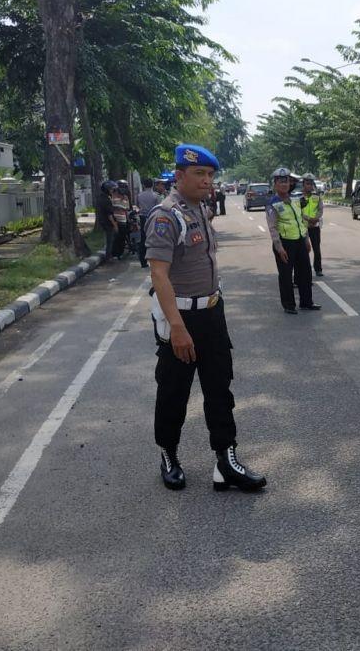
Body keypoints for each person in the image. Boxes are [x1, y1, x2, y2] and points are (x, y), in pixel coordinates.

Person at [145, 143, 267, 493]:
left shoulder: (200, 210)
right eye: (200, 174)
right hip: (180, 319)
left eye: (211, 175)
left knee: (219, 387)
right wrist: (179, 330)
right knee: (173, 391)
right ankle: (169, 454)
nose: (207, 181)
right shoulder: (166, 216)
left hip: (212, 312)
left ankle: (225, 460)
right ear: (179, 175)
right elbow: (158, 275)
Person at [266, 167, 321, 315]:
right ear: (275, 184)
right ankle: (289, 305)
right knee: (285, 276)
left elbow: (301, 220)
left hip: (299, 241)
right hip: (284, 244)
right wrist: (279, 247)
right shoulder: (273, 203)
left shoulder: (295, 199)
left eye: (286, 182)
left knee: (305, 273)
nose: (284, 185)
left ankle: (306, 302)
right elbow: (272, 227)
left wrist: (306, 239)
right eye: (281, 182)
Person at [300, 173, 324, 277]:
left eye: (311, 183)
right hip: (303, 226)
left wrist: (316, 218)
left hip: (315, 226)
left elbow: (320, 209)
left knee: (317, 249)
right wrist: (309, 219)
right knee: (304, 250)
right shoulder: (299, 197)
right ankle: (305, 271)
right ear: (303, 184)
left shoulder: (316, 196)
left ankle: (318, 269)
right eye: (307, 183)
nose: (309, 185)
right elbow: (298, 211)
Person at [136, 178, 162, 269]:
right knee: (156, 238)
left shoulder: (139, 195)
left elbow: (138, 206)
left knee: (143, 239)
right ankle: (156, 261)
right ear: (152, 185)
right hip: (153, 217)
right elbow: (159, 208)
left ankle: (143, 262)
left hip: (143, 218)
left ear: (144, 185)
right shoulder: (156, 196)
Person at [97, 180, 119, 262]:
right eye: (111, 189)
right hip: (107, 223)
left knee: (108, 239)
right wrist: (115, 225)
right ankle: (108, 257)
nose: (112, 191)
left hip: (103, 222)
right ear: (107, 190)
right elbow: (110, 215)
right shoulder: (106, 200)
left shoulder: (101, 198)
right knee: (110, 240)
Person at [112, 180, 130, 258]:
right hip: (115, 220)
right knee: (116, 237)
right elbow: (111, 207)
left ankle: (120, 253)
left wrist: (128, 219)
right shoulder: (113, 196)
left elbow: (126, 209)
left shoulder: (126, 197)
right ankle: (115, 253)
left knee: (122, 237)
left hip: (123, 220)